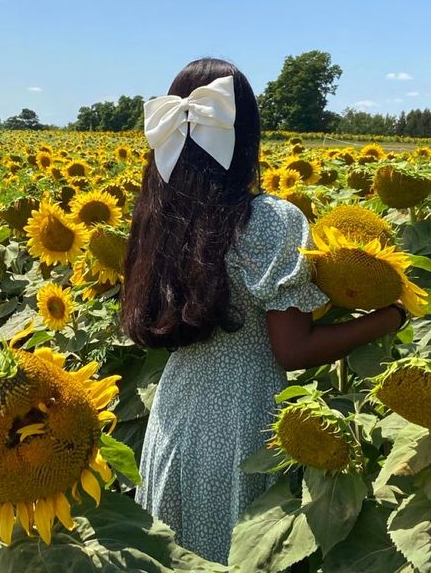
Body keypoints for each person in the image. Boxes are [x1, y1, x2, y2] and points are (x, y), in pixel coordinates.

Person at [120, 57, 407, 565]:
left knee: (179, 555)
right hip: (246, 423)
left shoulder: (157, 214)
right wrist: (388, 317)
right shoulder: (271, 221)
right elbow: (292, 349)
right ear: (247, 134)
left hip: (174, 417)